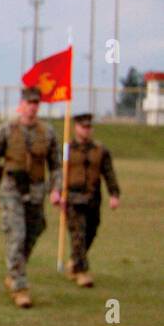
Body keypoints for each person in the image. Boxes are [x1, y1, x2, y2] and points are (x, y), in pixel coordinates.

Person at [0, 87, 61, 308]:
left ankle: (14, 269)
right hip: (11, 189)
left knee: (34, 230)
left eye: (36, 103)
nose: (33, 107)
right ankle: (20, 287)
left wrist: (57, 189)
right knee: (17, 235)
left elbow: (55, 164)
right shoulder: (5, 130)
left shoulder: (47, 132)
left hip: (37, 189)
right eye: (29, 103)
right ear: (21, 105)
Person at [54, 113, 121, 288]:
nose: (86, 130)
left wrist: (114, 194)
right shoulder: (67, 149)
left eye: (89, 127)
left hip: (93, 198)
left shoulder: (100, 150)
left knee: (91, 232)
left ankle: (75, 262)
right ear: (76, 127)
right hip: (73, 199)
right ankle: (82, 271)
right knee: (78, 234)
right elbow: (58, 172)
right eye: (83, 127)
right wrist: (56, 191)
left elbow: (108, 173)